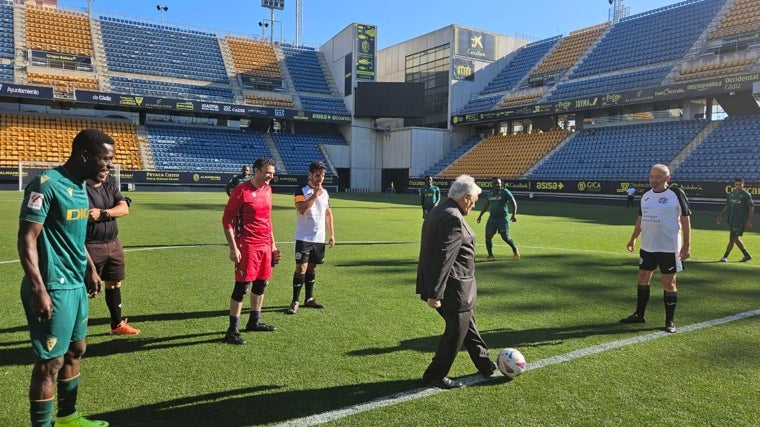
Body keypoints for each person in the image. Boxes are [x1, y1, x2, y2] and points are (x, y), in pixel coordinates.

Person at [18, 128, 115, 427]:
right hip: (52, 286)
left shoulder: (80, 187)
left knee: (76, 351)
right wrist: (38, 289)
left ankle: (68, 417)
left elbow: (74, 237)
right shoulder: (45, 184)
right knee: (50, 362)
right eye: (105, 159)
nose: (109, 165)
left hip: (75, 283)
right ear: (85, 155)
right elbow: (27, 238)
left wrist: (89, 267)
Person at [416, 175, 496, 389]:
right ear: (467, 197)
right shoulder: (452, 217)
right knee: (456, 331)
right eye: (475, 199)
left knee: (468, 326)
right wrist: (435, 293)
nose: (475, 203)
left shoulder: (440, 210)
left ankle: (485, 363)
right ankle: (434, 375)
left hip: (455, 287)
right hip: (453, 288)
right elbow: (444, 257)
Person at [623, 164, 691, 333]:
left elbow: (685, 219)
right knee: (642, 278)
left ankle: (670, 321)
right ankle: (639, 315)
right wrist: (633, 238)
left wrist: (687, 245)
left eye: (658, 177)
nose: (654, 180)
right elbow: (640, 218)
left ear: (667, 178)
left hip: (669, 247)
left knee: (668, 282)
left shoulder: (676, 194)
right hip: (648, 246)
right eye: (651, 176)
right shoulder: (646, 195)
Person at [221, 157, 280, 345]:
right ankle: (232, 330)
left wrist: (273, 245)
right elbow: (226, 220)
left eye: (272, 172)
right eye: (268, 172)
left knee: (261, 284)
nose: (271, 176)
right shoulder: (241, 191)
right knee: (242, 288)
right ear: (256, 171)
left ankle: (254, 321)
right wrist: (233, 248)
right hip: (247, 246)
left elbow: (268, 220)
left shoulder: (268, 189)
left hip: (264, 246)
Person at [85, 170, 140, 335]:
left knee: (115, 283)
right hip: (89, 245)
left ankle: (117, 325)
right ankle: (70, 330)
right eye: (101, 169)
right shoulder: (79, 189)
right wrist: (110, 211)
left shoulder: (110, 187)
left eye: (107, 169)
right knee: (83, 288)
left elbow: (124, 209)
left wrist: (103, 213)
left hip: (113, 243)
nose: (105, 172)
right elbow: (87, 216)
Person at [287, 161, 335, 314]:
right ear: (310, 175)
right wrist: (315, 195)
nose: (320, 179)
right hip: (303, 237)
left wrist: (332, 234)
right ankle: (295, 301)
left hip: (319, 238)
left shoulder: (325, 193)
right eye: (317, 175)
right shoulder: (301, 190)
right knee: (301, 268)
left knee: (312, 268)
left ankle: (309, 299)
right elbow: (301, 210)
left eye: (322, 176)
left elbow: (328, 213)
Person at [477, 177, 520, 261]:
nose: (497, 185)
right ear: (492, 184)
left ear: (501, 183)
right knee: (488, 236)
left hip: (502, 219)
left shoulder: (505, 192)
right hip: (492, 219)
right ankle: (490, 256)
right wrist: (480, 215)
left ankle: (515, 249)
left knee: (505, 237)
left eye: (498, 183)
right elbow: (486, 204)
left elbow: (513, 203)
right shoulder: (490, 193)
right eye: (495, 183)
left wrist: (514, 214)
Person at [716, 178, 754, 262]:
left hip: (740, 221)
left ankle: (725, 257)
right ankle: (746, 255)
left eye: (740, 184)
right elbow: (728, 206)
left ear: (743, 185)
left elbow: (751, 208)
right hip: (732, 219)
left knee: (732, 238)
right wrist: (721, 215)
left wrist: (749, 221)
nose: (738, 186)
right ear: (734, 185)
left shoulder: (746, 195)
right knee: (735, 239)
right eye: (736, 184)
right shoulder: (731, 194)